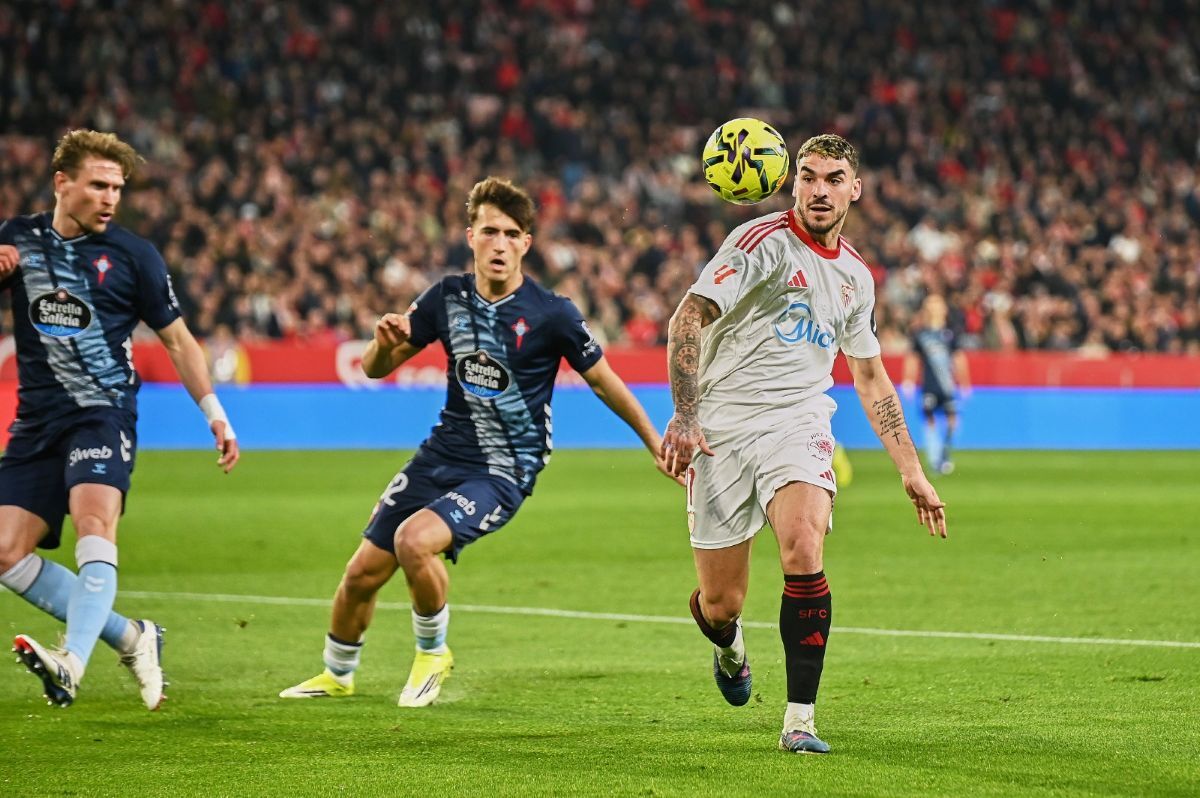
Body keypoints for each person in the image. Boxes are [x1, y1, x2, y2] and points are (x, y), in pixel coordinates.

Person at [280, 176, 676, 706]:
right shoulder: (446, 298)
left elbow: (604, 380)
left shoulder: (551, 313)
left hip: (505, 467)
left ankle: (432, 652)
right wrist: (381, 345)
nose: (500, 243)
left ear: (526, 244)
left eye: (512, 234)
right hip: (443, 451)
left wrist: (654, 442)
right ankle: (337, 673)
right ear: (471, 236)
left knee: (414, 542)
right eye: (490, 231)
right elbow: (377, 369)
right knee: (360, 573)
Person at [660, 134, 947, 754]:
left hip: (799, 421)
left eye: (834, 178)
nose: (820, 189)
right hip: (721, 430)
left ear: (855, 189)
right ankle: (729, 647)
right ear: (792, 182)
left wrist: (910, 469)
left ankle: (799, 720)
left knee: (802, 544)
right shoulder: (757, 244)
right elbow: (688, 317)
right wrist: (685, 414)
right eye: (809, 177)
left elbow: (869, 377)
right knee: (721, 601)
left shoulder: (856, 278)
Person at [0, 129, 240, 709]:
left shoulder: (134, 256)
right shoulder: (17, 241)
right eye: (99, 185)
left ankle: (71, 664)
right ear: (63, 183)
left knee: (94, 524)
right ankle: (134, 637)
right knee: (5, 551)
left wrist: (216, 414)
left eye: (118, 188)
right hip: (36, 422)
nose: (111, 198)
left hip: (102, 414)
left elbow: (179, 341)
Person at [902, 293, 972, 474]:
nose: (934, 306)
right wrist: (908, 381)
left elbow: (958, 358)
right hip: (929, 386)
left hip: (948, 386)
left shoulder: (950, 333)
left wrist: (964, 382)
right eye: (931, 303)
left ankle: (945, 454)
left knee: (952, 420)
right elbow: (913, 359)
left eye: (937, 303)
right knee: (930, 419)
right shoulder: (920, 334)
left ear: (944, 308)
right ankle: (934, 458)